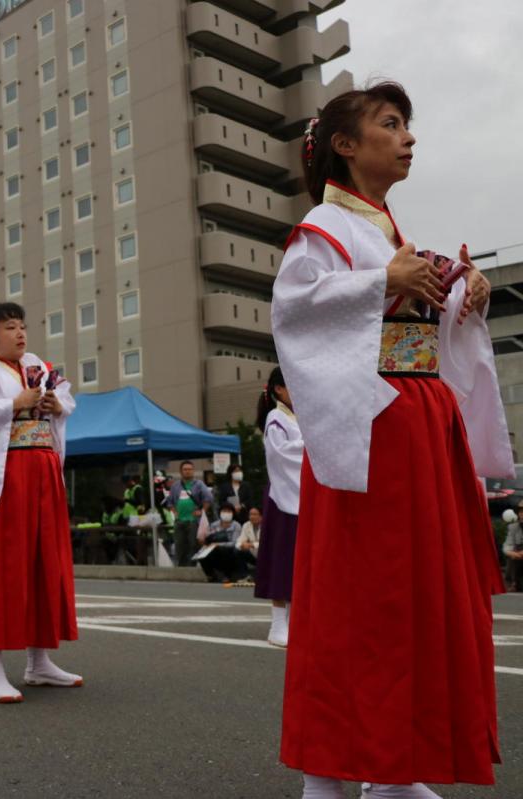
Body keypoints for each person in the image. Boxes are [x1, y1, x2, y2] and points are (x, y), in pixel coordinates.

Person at [272, 84, 510, 797]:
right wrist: (383, 279)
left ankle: (393, 767)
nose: (408, 137)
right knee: (357, 598)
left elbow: (411, 318)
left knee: (415, 597)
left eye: (407, 125)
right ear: (345, 145)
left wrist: (464, 293)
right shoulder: (324, 228)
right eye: (391, 123)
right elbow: (294, 310)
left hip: (419, 420)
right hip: (368, 425)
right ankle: (325, 776)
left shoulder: (385, 232)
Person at [0, 302, 80, 703]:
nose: (20, 333)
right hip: (8, 474)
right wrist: (14, 403)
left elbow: (67, 399)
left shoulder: (39, 366)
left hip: (43, 471)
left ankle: (39, 661)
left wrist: (56, 406)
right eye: (10, 327)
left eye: (22, 326)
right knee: (1, 565)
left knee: (45, 562)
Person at [253, 368, 303, 648]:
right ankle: (277, 623)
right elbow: (281, 455)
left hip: (301, 494)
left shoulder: (300, 416)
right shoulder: (276, 418)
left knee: (297, 561)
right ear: (278, 390)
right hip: (283, 495)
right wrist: (313, 445)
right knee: (281, 558)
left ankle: (295, 622)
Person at [163, 461, 212, 566]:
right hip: (179, 521)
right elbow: (170, 502)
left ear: (193, 471)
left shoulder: (199, 484)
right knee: (179, 546)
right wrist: (175, 512)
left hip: (193, 521)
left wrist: (202, 511)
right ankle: (181, 568)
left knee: (193, 546)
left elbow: (208, 498)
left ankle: (191, 568)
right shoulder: (175, 485)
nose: (187, 471)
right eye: (185, 469)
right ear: (181, 471)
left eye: (190, 469)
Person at [192, 507, 245, 582]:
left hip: (229, 550)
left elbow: (234, 542)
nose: (226, 513)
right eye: (224, 511)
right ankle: (210, 575)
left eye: (228, 511)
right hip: (213, 548)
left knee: (223, 551)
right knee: (202, 554)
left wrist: (219, 544)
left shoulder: (236, 525)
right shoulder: (214, 525)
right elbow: (209, 537)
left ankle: (227, 575)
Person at [503, 507, 523, 592]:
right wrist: (511, 553)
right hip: (519, 554)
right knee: (512, 556)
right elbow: (508, 543)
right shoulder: (513, 527)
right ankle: (514, 583)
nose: (522, 514)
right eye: (521, 512)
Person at [236, 506, 261, 573]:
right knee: (237, 550)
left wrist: (252, 545)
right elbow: (239, 541)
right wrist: (242, 545)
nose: (252, 517)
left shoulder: (267, 525)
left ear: (261, 516)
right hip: (253, 555)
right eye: (250, 514)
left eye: (255, 514)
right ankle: (245, 575)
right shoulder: (246, 525)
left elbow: (266, 543)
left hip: (265, 556)